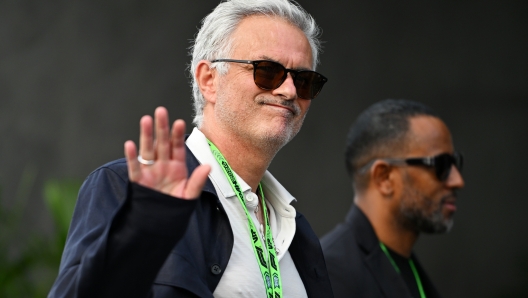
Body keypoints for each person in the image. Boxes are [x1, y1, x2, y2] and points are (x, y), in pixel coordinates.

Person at [48, 0, 332, 297]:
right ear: (209, 80)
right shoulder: (127, 188)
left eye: (303, 80)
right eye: (267, 71)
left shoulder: (296, 230)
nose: (288, 90)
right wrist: (140, 231)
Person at [320, 99, 465, 298]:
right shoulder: (329, 274)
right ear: (384, 178)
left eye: (455, 163)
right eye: (442, 165)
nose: (457, 181)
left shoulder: (408, 266)